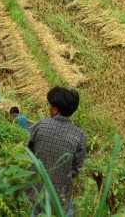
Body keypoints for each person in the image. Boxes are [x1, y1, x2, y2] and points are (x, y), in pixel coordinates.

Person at [27, 87, 86, 217]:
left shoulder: (40, 125)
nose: (48, 107)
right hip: (62, 194)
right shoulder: (79, 135)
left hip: (37, 191)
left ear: (55, 109)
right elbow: (77, 167)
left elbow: (30, 152)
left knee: (37, 213)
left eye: (49, 105)